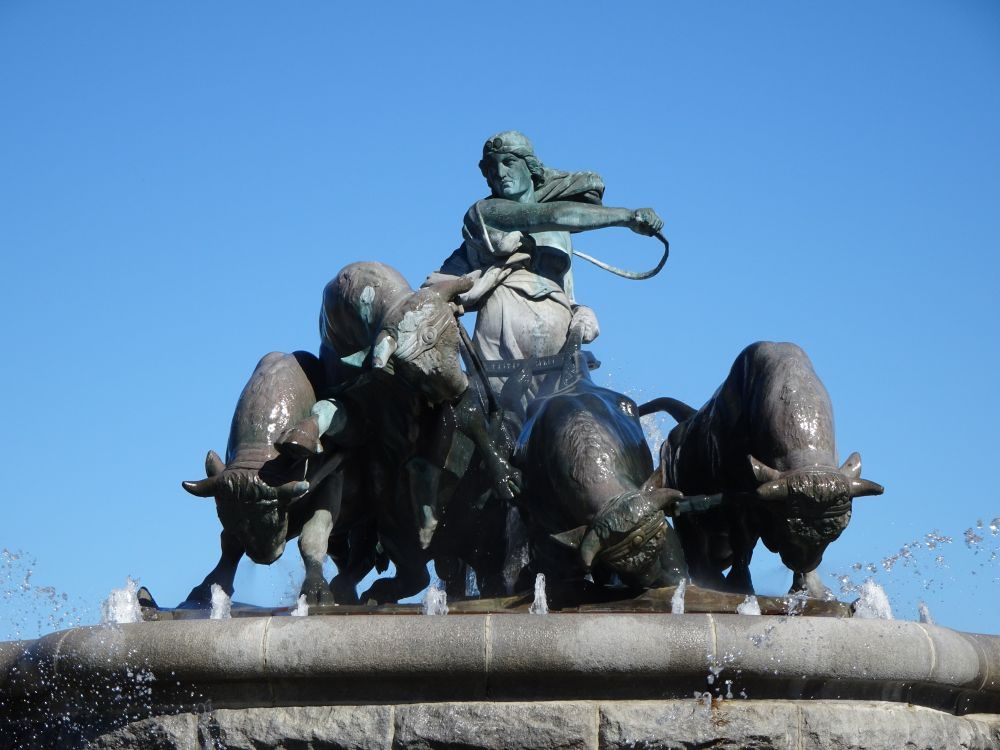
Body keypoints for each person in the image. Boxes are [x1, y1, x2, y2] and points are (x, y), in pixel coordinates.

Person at [425, 130, 664, 416]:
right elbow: (549, 214)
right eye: (492, 168)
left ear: (530, 168)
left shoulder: (560, 234)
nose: (499, 173)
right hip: (503, 336)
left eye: (509, 163)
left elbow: (566, 286)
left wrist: (581, 311)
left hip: (560, 344)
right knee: (499, 425)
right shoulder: (485, 212)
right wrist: (628, 216)